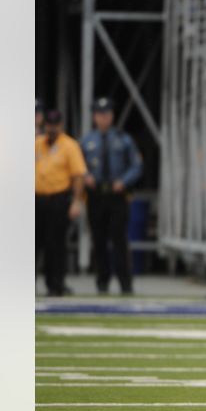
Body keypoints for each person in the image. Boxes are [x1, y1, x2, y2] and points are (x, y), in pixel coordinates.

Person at [79, 97, 143, 295]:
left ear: (112, 116)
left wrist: (124, 181)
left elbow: (137, 165)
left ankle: (125, 283)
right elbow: (77, 165)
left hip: (117, 195)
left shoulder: (123, 139)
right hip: (96, 194)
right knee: (98, 240)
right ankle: (102, 281)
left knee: (119, 239)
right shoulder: (87, 141)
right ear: (94, 117)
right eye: (99, 114)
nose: (103, 118)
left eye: (106, 114)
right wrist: (85, 175)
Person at [36, 110, 87, 297]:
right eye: (49, 124)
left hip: (58, 200)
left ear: (60, 125)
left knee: (55, 244)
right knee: (32, 244)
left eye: (55, 124)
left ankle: (56, 284)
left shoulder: (69, 146)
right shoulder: (37, 144)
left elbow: (78, 176)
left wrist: (76, 201)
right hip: (37, 199)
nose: (51, 128)